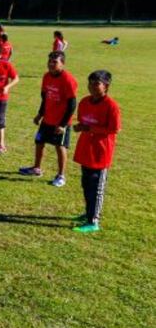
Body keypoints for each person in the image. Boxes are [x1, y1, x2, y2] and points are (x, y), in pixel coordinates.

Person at [71, 70, 121, 233]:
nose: (92, 86)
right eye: (90, 82)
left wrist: (90, 128)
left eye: (96, 83)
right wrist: (80, 127)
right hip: (86, 149)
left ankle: (94, 221)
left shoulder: (111, 106)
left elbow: (115, 129)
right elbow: (83, 122)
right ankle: (88, 212)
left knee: (97, 187)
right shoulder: (84, 102)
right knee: (86, 184)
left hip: (101, 152)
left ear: (106, 86)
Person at [19, 51, 78, 187]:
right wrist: (40, 114)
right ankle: (36, 168)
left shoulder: (68, 79)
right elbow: (45, 98)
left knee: (60, 147)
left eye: (55, 62)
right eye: (49, 61)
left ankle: (61, 175)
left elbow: (72, 104)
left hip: (61, 122)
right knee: (39, 141)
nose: (51, 64)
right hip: (47, 119)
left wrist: (63, 125)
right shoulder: (46, 77)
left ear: (62, 64)